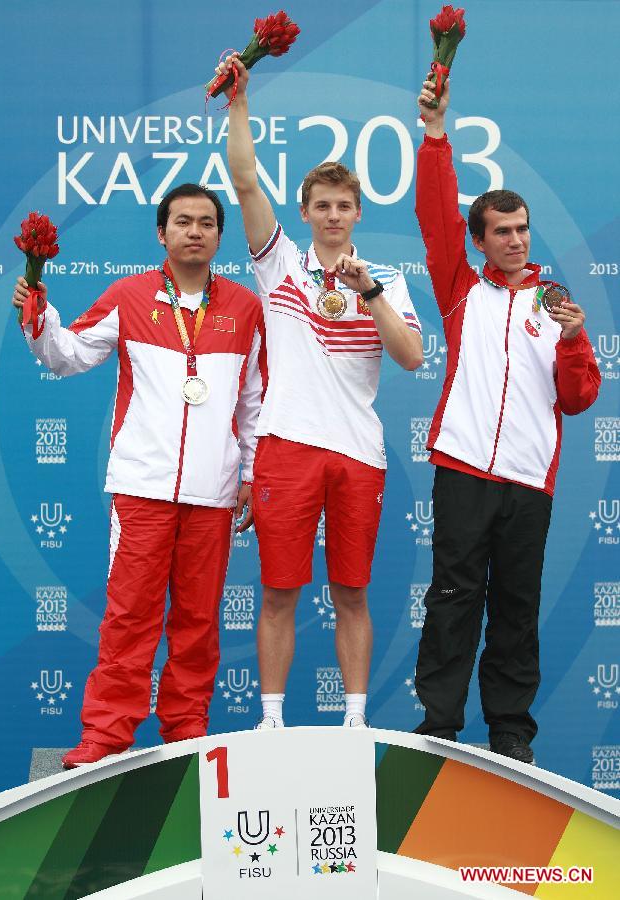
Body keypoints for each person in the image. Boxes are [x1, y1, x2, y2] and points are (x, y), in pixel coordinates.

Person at [13, 184, 266, 767]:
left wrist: (249, 474)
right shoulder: (129, 296)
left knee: (199, 622)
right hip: (142, 488)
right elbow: (66, 354)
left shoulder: (245, 308)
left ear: (220, 237)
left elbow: (254, 399)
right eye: (182, 221)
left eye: (206, 222)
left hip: (213, 492)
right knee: (130, 615)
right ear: (162, 233)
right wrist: (38, 312)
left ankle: (186, 732)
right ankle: (106, 733)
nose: (195, 231)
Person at [217, 55, 423, 730]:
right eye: (321, 206)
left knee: (352, 591)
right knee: (278, 591)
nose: (332, 215)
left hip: (357, 453)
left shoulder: (385, 279)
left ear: (358, 213)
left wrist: (367, 293)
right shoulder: (276, 261)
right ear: (305, 212)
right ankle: (271, 720)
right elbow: (245, 182)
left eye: (343, 206)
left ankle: (354, 720)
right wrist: (239, 103)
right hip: (286, 448)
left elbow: (412, 357)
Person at [413, 76, 601, 761]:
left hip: (527, 481)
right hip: (462, 469)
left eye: (522, 229)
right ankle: (437, 725)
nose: (517, 240)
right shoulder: (460, 291)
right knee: (453, 597)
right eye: (503, 232)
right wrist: (435, 136)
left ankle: (511, 734)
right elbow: (433, 217)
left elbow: (578, 399)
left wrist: (576, 340)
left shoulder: (555, 304)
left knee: (516, 607)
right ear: (480, 241)